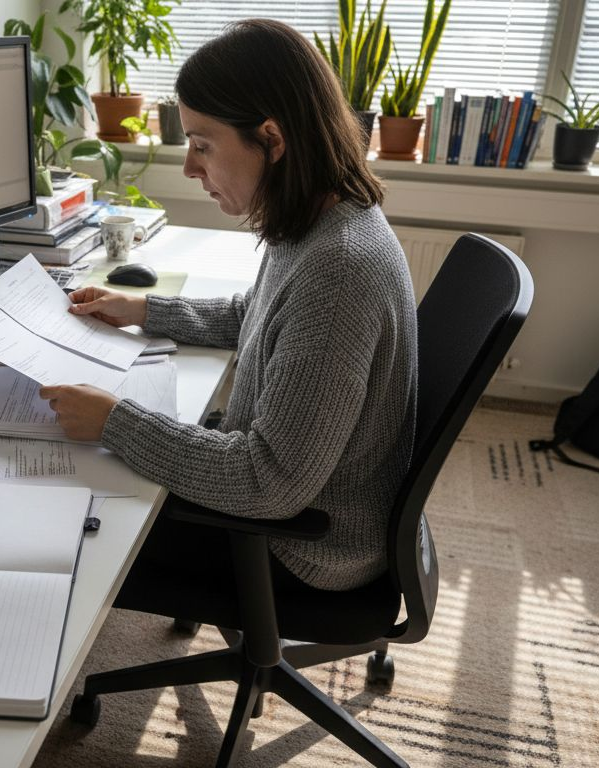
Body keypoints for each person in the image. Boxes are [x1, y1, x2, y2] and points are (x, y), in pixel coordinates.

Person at [38, 18, 417, 593]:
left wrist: (114, 421)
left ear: (271, 138)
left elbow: (266, 483)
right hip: (289, 506)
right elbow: (259, 315)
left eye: (202, 145)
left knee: (69, 522)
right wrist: (142, 310)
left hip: (300, 550)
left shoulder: (338, 268)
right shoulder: (322, 216)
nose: (191, 167)